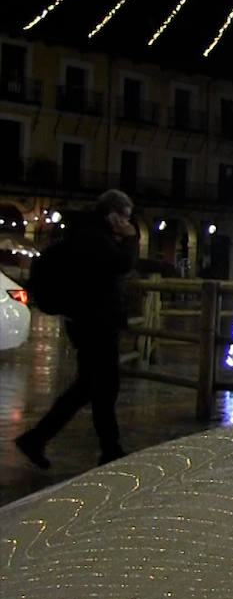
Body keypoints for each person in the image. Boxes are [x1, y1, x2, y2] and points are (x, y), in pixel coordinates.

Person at [15, 189, 138, 467]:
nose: (127, 223)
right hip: (96, 324)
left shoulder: (88, 235)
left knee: (88, 388)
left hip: (88, 321)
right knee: (103, 388)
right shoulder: (95, 238)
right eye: (125, 217)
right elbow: (121, 264)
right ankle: (108, 449)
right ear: (112, 214)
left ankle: (39, 439)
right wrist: (131, 237)